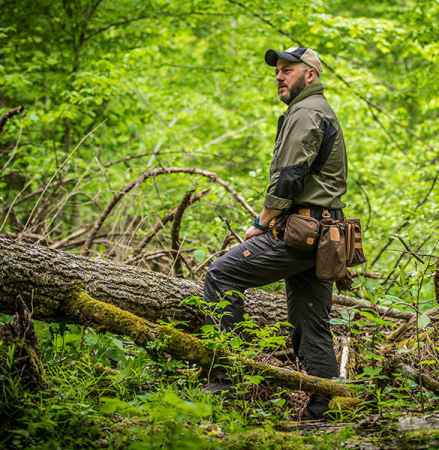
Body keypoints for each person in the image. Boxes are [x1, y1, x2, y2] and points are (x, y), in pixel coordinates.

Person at [203, 46, 348, 419]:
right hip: (323, 234)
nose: (279, 77)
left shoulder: (306, 112)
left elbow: (289, 174)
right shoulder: (316, 110)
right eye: (277, 71)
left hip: (302, 230)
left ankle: (224, 381)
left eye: (288, 70)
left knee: (221, 276)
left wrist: (262, 222)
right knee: (312, 321)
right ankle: (322, 409)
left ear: (310, 75)